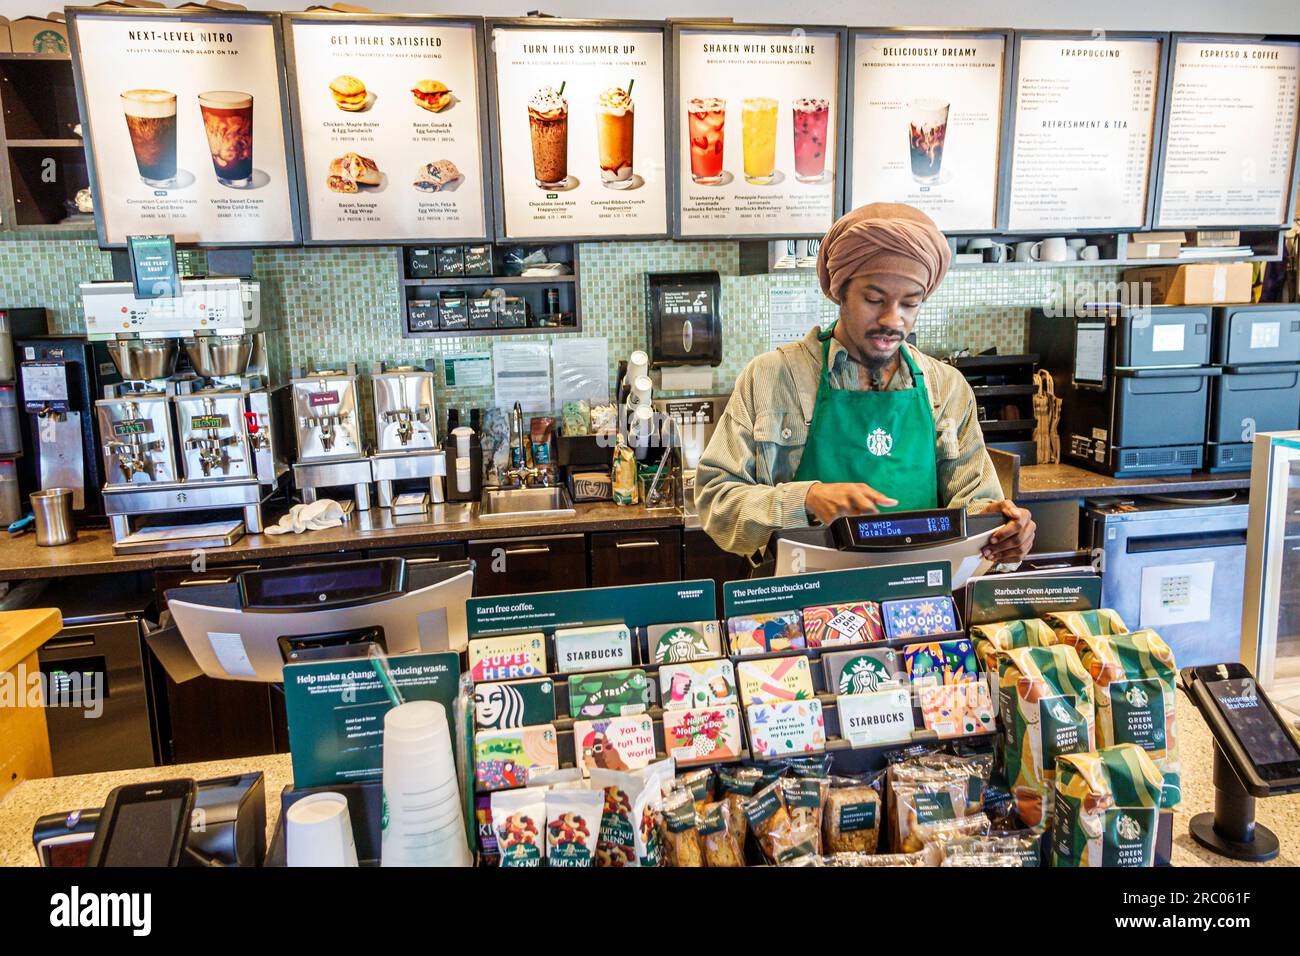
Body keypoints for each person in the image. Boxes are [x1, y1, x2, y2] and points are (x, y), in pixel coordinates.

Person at [696, 201, 1035, 566]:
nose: (893, 320)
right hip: (802, 610)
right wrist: (805, 500)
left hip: (914, 608)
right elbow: (716, 502)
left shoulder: (947, 389)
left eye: (910, 304)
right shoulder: (771, 377)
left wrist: (1003, 533)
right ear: (840, 292)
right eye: (874, 299)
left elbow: (976, 508)